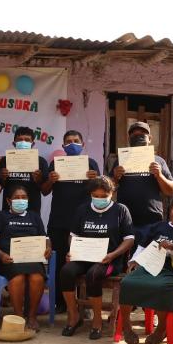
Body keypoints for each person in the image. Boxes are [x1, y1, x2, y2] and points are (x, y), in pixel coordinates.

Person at [60, 176, 135, 339]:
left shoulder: (121, 210)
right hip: (83, 257)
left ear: (112, 193)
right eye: (96, 195)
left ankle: (97, 319)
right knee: (66, 271)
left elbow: (129, 239)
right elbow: (73, 235)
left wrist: (113, 255)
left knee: (93, 275)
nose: (99, 199)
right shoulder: (82, 209)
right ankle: (74, 316)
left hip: (109, 260)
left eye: (104, 196)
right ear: (90, 194)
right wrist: (72, 251)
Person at [117, 194, 173, 344]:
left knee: (164, 288)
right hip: (149, 265)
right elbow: (142, 246)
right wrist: (134, 261)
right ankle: (126, 327)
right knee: (127, 282)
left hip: (172, 270)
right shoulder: (158, 227)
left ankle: (161, 329)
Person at [41, 130, 100, 311]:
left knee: (84, 262)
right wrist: (50, 180)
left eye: (76, 141)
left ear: (82, 145)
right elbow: (44, 191)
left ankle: (86, 305)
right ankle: (60, 303)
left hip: (84, 223)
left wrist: (95, 179)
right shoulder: (55, 164)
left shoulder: (91, 164)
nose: (72, 144)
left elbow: (101, 191)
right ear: (63, 146)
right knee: (59, 264)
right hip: (59, 221)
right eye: (68, 141)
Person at [0, 184, 52, 330]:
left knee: (37, 278)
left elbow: (45, 237)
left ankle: (32, 316)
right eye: (17, 198)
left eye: (24, 197)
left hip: (32, 258)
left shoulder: (34, 216)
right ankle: (18, 317)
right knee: (18, 278)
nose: (20, 200)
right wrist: (1, 254)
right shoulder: (1, 216)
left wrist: (48, 247)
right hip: (10, 259)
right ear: (9, 201)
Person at [110, 122, 173, 236]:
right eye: (134, 136)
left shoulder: (159, 161)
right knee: (126, 251)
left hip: (152, 219)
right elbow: (108, 190)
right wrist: (115, 177)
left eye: (142, 135)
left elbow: (171, 191)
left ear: (149, 138)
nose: (138, 138)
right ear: (129, 139)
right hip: (125, 217)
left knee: (148, 252)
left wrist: (159, 175)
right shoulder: (120, 161)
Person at [0, 126, 49, 213]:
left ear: (33, 143)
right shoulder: (5, 160)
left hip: (32, 212)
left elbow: (45, 192)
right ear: (14, 143)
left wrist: (39, 180)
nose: (23, 142)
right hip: (8, 211)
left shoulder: (41, 161)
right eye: (20, 140)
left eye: (27, 140)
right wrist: (2, 178)